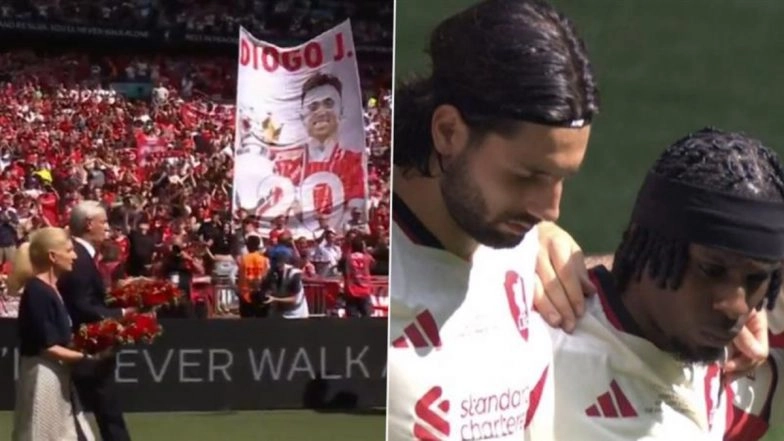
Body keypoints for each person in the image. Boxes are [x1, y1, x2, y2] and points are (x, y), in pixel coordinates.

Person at [388, 0, 599, 439]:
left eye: (560, 178)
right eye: (527, 176)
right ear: (448, 132)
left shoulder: (524, 248)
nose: (551, 209)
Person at [550, 128, 784, 439]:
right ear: (646, 248)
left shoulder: (733, 348)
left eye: (755, 279)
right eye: (712, 270)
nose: (734, 308)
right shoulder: (545, 348)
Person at [11, 227, 104, 441]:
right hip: (43, 376)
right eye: (69, 250)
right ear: (53, 256)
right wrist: (88, 357)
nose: (74, 256)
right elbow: (49, 346)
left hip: (57, 374)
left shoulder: (51, 290)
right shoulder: (37, 291)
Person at [57, 201, 132, 441]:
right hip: (87, 348)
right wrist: (122, 314)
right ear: (89, 225)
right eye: (104, 222)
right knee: (107, 414)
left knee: (105, 413)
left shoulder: (84, 256)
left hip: (90, 347)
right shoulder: (78, 257)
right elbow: (81, 304)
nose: (108, 228)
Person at [262, 247, 309, 319]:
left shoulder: (294, 274)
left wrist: (274, 299)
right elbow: (267, 288)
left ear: (282, 262)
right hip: (279, 312)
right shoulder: (272, 273)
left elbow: (294, 299)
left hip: (296, 314)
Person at [237, 234, 270, 318]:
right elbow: (266, 276)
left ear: (248, 245)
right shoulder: (265, 260)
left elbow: (238, 275)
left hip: (246, 293)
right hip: (260, 293)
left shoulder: (242, 259)